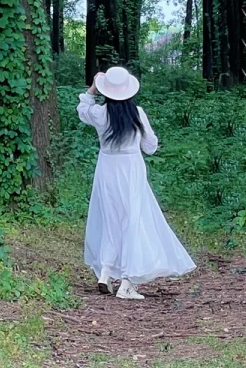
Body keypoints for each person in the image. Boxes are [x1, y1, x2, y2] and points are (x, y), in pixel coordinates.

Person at [77, 65, 195, 300]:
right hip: (131, 169)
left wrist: (92, 88)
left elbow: (82, 109)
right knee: (132, 221)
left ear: (106, 91)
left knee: (111, 219)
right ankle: (128, 282)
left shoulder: (100, 113)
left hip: (107, 169)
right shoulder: (137, 114)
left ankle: (106, 273)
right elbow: (150, 147)